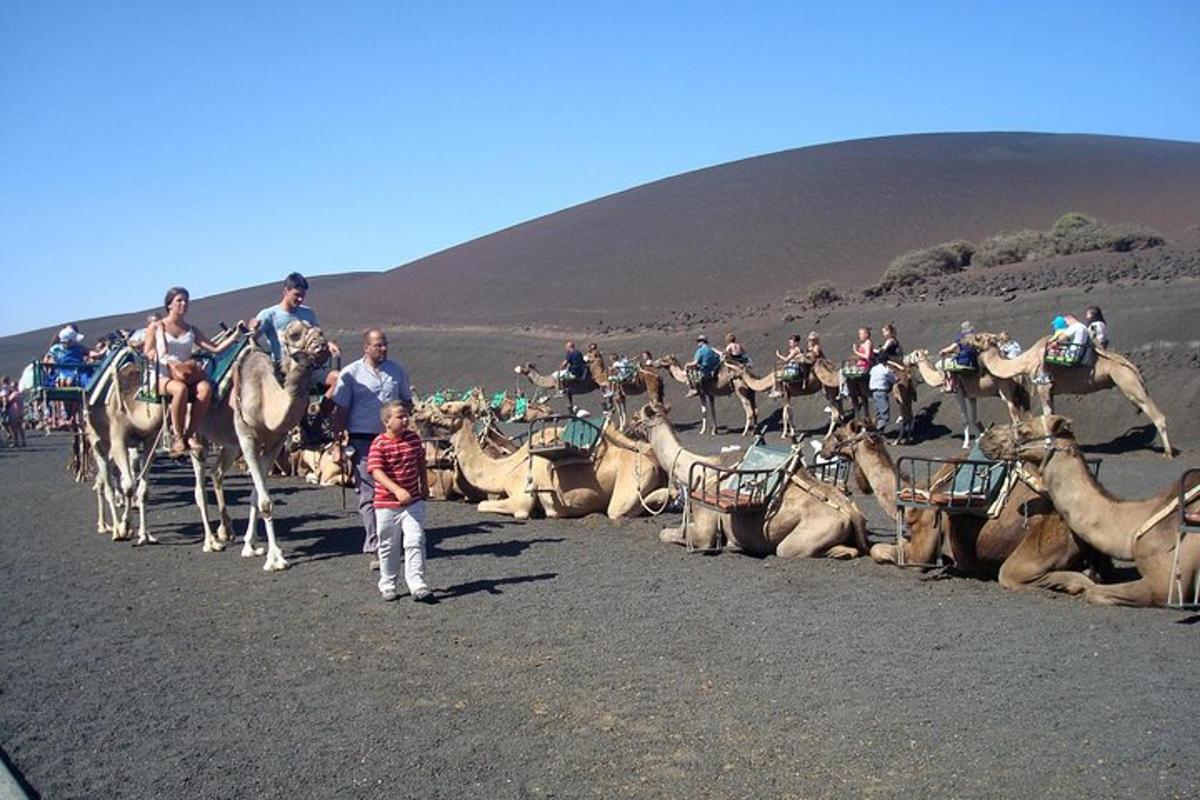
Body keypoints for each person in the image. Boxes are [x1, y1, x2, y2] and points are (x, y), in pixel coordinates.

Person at [332, 328, 413, 569]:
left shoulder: (396, 371)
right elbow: (341, 411)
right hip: (363, 439)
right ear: (365, 347)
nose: (384, 349)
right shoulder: (351, 373)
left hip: (393, 440)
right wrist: (337, 444)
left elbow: (407, 401)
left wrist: (406, 422)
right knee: (369, 493)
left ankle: (397, 541)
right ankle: (376, 547)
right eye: (378, 345)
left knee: (398, 489)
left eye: (385, 344)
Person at [143, 287, 243, 457]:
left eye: (186, 301)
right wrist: (157, 356)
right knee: (179, 390)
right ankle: (178, 436)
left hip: (185, 374)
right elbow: (147, 351)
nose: (183, 304)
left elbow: (215, 349)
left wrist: (235, 335)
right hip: (163, 374)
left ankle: (189, 435)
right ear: (169, 305)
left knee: (206, 389)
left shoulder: (191, 330)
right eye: (179, 301)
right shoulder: (157, 327)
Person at [368, 400, 433, 603]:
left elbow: (420, 461)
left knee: (415, 539)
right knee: (388, 544)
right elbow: (376, 471)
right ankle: (388, 584)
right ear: (387, 421)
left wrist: (424, 485)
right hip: (387, 504)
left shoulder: (413, 439)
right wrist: (396, 490)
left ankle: (417, 583)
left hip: (412, 501)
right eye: (400, 417)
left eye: (406, 416)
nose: (405, 420)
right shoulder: (379, 444)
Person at [248, 272, 342, 399]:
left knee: (339, 379)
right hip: (283, 371)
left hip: (309, 367)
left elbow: (318, 337)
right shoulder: (269, 315)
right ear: (286, 291)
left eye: (303, 296)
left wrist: (329, 344)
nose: (300, 299)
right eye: (296, 295)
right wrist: (253, 328)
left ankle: (319, 412)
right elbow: (253, 336)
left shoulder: (307, 313)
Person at [937, 321, 978, 393]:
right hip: (973, 362)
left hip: (963, 362)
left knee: (942, 366)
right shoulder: (975, 338)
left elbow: (951, 348)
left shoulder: (961, 338)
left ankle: (948, 385)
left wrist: (942, 351)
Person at [868, 359, 896, 432]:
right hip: (881, 393)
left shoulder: (873, 369)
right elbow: (893, 379)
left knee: (878, 414)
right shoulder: (885, 370)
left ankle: (879, 431)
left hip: (874, 393)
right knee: (885, 415)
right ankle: (877, 431)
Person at [0, 376, 26, 448]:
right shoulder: (19, 394)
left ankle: (16, 442)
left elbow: (7, 400)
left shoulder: (14, 394)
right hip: (20, 412)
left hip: (14, 412)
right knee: (20, 428)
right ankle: (23, 441)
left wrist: (4, 404)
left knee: (14, 428)